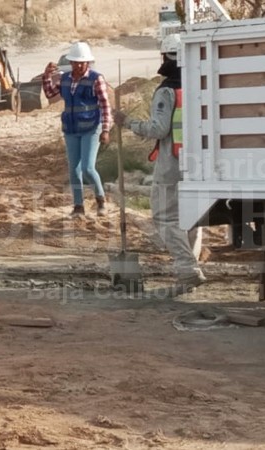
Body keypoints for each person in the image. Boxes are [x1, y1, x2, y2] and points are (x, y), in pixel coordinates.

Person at [113, 34, 206, 295]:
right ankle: (191, 269)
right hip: (200, 162)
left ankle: (188, 269)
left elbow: (158, 128)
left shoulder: (167, 89)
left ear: (166, 57)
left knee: (165, 217)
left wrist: (128, 122)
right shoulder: (199, 83)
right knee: (191, 218)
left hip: (173, 162)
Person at [42, 42, 112, 218]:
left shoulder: (96, 79)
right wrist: (46, 76)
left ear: (88, 63)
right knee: (74, 169)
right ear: (71, 62)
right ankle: (78, 206)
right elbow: (50, 94)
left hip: (91, 128)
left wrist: (105, 129)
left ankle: (101, 200)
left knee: (88, 168)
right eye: (76, 62)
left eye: (82, 62)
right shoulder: (65, 78)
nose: (79, 66)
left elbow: (105, 105)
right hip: (71, 129)